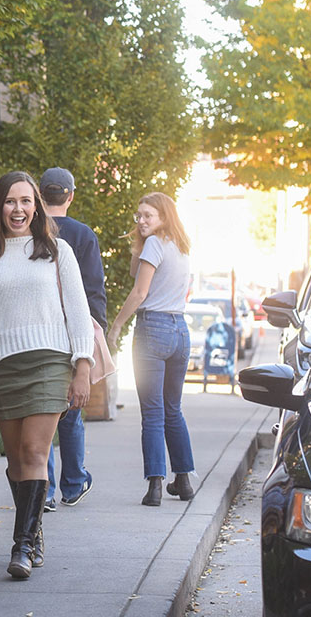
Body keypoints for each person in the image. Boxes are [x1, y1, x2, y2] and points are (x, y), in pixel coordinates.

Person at [0, 171, 95, 580]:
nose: (19, 209)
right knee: (16, 461)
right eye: (10, 201)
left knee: (35, 453)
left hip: (50, 361)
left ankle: (22, 545)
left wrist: (81, 363)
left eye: (26, 201)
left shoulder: (56, 250)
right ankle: (33, 530)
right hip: (1, 365)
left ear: (37, 205)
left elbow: (78, 310)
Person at [108, 192, 197, 506]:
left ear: (164, 217)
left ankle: (155, 487)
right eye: (139, 216)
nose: (142, 221)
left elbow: (139, 290)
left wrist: (117, 324)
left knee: (153, 413)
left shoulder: (156, 244)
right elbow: (136, 271)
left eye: (149, 216)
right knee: (173, 409)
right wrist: (138, 241)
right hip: (180, 331)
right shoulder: (180, 246)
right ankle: (183, 481)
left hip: (153, 329)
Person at [38, 168, 106, 513]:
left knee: (43, 410)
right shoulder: (83, 235)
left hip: (39, 330)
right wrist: (97, 333)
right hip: (73, 333)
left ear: (38, 194)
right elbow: (94, 290)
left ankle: (45, 490)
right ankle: (74, 483)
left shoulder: (28, 233)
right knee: (70, 412)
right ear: (70, 196)